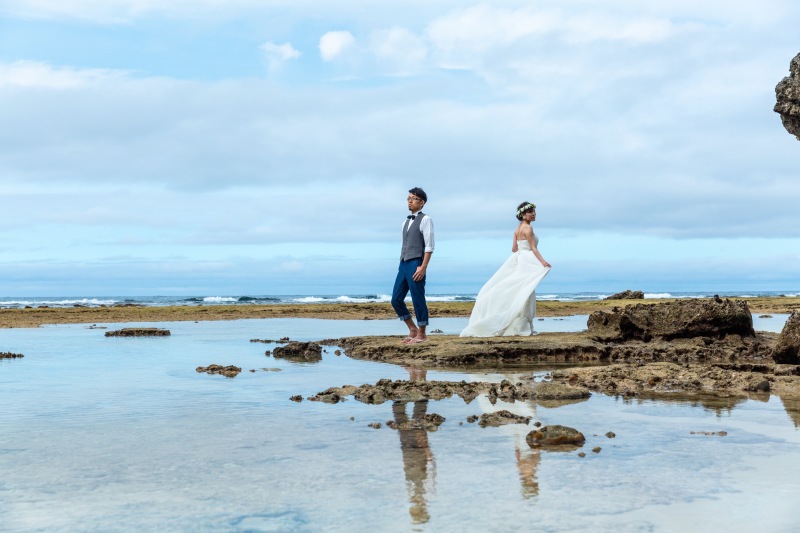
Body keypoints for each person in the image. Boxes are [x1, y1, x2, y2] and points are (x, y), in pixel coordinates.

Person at [460, 201, 551, 337]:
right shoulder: (528, 229)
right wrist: (543, 261)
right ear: (523, 214)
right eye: (530, 212)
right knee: (526, 289)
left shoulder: (517, 228)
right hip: (528, 259)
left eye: (534, 212)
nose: (534, 214)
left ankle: (516, 322)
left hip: (520, 258)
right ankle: (522, 325)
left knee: (519, 289)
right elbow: (533, 248)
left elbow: (514, 249)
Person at [391, 187, 434, 344]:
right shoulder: (405, 222)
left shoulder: (426, 219)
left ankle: (422, 333)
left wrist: (423, 267)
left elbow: (429, 246)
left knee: (417, 298)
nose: (410, 201)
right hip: (403, 263)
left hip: (416, 262)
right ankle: (412, 329)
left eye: (414, 198)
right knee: (396, 299)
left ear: (421, 203)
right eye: (408, 198)